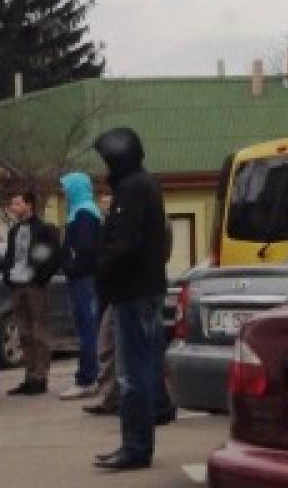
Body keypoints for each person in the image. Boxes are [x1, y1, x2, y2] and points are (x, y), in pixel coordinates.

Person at [92, 127, 171, 471]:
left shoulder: (131, 189)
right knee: (143, 368)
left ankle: (135, 447)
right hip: (146, 288)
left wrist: (102, 267)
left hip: (133, 291)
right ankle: (138, 442)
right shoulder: (146, 184)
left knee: (131, 374)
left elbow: (125, 245)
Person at [2, 190, 61, 396]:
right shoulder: (14, 231)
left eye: (17, 203)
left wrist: (41, 276)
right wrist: (8, 275)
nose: (14, 207)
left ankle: (40, 376)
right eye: (13, 204)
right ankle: (29, 375)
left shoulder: (43, 229)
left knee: (39, 332)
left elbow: (53, 255)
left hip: (35, 285)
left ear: (29, 205)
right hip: (17, 283)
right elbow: (11, 256)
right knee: (24, 332)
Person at [58, 172, 103, 400]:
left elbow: (85, 249)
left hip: (84, 278)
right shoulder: (82, 211)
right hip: (84, 277)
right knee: (88, 326)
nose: (64, 192)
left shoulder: (84, 213)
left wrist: (70, 266)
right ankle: (91, 375)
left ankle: (87, 377)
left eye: (66, 188)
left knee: (87, 328)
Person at [83, 186, 120, 416]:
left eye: (109, 201)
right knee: (106, 347)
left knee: (113, 347)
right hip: (106, 292)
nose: (105, 206)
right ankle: (109, 396)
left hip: (120, 293)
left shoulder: (120, 226)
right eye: (103, 202)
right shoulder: (104, 226)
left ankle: (115, 397)